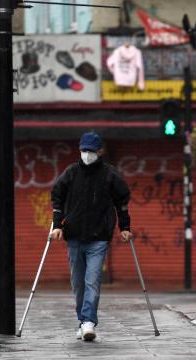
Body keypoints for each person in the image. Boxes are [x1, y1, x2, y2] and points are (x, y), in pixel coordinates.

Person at [50, 131, 133, 341]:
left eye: (91, 150)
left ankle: (88, 322)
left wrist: (124, 226)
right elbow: (57, 195)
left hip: (99, 237)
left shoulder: (109, 174)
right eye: (83, 150)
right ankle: (82, 321)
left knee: (92, 281)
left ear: (100, 151)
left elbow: (122, 200)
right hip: (75, 237)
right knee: (78, 283)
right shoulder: (71, 173)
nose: (87, 154)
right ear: (79, 150)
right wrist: (57, 224)